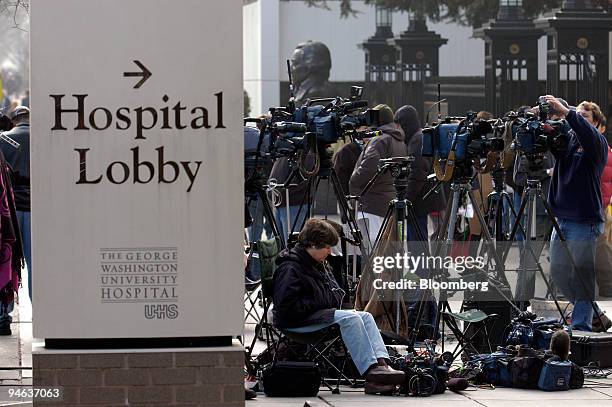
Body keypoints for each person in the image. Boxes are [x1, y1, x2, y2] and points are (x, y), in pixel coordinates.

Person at [272, 218, 405, 394]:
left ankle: (382, 364)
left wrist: (326, 300)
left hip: (315, 314)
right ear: (312, 244)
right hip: (297, 321)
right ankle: (370, 372)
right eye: (326, 247)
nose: (329, 251)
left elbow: (333, 296)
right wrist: (321, 301)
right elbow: (286, 307)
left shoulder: (316, 263)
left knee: (364, 315)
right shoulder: (291, 268)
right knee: (350, 319)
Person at [544, 97, 608, 331]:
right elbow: (547, 138)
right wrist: (541, 118)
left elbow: (584, 131)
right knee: (559, 272)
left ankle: (582, 327)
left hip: (584, 220)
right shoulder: (568, 140)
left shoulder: (597, 142)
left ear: (597, 124)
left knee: (582, 276)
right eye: (577, 115)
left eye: (585, 117)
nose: (578, 118)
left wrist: (570, 113)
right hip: (562, 218)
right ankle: (594, 313)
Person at [349, 104, 408, 249]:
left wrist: (353, 182)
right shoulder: (398, 140)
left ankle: (372, 273)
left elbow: (367, 169)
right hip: (388, 200)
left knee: (371, 250)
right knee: (385, 249)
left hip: (371, 203)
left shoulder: (379, 140)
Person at [0, 106, 30, 301]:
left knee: (8, 260)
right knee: (37, 266)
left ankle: (4, 315)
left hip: (10, 209)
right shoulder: (44, 138)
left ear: (13, 121)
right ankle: (41, 312)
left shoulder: (3, 139)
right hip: (36, 207)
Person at [596, 115, 612, 297]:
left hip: (599, 205)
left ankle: (606, 283)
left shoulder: (604, 153)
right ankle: (606, 284)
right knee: (601, 245)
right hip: (601, 204)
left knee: (600, 245)